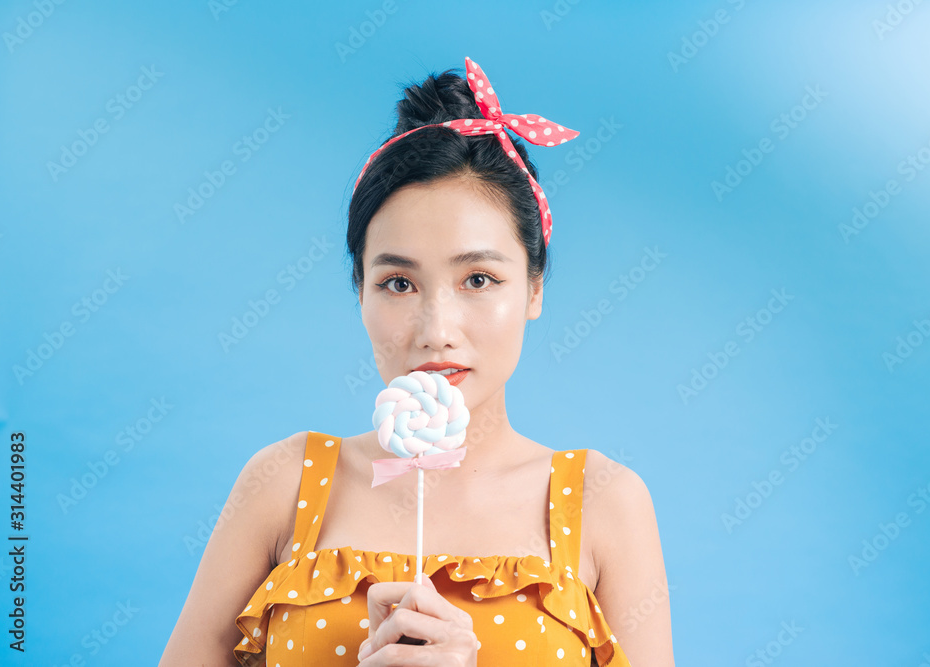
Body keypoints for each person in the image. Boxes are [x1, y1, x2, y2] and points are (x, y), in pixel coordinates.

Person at [160, 56, 674, 666]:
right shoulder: (284, 484)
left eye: (478, 279)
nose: (436, 331)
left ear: (534, 288)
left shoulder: (603, 502)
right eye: (398, 283)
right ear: (359, 292)